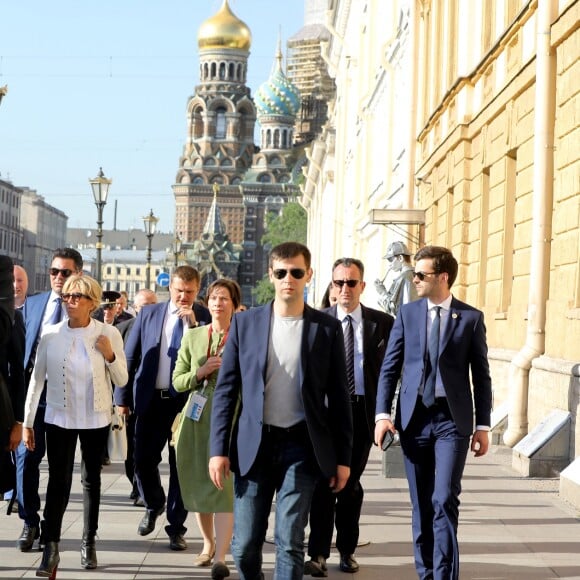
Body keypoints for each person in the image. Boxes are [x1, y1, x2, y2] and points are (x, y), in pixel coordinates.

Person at [209, 241, 353, 580]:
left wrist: (342, 458)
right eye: (281, 272)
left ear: (309, 276)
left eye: (296, 272)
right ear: (271, 275)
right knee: (244, 547)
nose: (289, 279)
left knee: (289, 542)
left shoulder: (326, 328)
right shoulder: (246, 325)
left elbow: (340, 397)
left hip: (301, 447)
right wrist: (217, 451)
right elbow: (226, 391)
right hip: (253, 447)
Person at [374, 245, 493, 580]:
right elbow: (390, 368)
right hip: (413, 421)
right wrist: (383, 415)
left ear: (443, 277)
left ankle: (444, 575)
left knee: (443, 499)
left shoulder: (470, 318)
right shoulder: (408, 315)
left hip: (451, 422)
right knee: (421, 504)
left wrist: (482, 426)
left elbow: (481, 377)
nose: (415, 279)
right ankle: (425, 572)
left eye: (421, 275)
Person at [22, 274, 128, 576]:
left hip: (95, 417)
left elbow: (122, 379)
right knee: (58, 481)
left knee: (90, 481)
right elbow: (36, 380)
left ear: (92, 302)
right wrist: (28, 421)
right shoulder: (52, 334)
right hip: (59, 417)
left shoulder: (108, 333)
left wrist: (108, 354)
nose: (70, 301)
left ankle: (88, 540)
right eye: (67, 296)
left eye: (77, 297)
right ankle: (51, 545)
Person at [306, 258, 394, 576]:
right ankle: (317, 554)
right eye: (339, 282)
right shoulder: (316, 322)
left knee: (349, 484)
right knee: (322, 483)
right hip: (325, 415)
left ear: (362, 286)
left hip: (361, 411)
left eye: (351, 282)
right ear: (332, 286)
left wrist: (385, 414)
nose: (345, 288)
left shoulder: (382, 324)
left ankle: (346, 550)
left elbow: (392, 371)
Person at [115, 265, 211, 551]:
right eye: (179, 290)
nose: (184, 296)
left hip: (185, 403)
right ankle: (154, 503)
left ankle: (176, 527)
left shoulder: (204, 316)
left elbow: (205, 359)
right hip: (151, 399)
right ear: (170, 288)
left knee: (180, 466)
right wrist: (121, 398)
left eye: (190, 292)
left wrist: (193, 325)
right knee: (142, 459)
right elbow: (129, 356)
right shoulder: (149, 314)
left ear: (198, 290)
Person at [173, 278, 241, 580]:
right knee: (200, 482)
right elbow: (177, 381)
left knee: (224, 485)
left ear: (235, 304)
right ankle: (208, 543)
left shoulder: (243, 334)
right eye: (213, 298)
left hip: (233, 414)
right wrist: (199, 372)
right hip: (197, 416)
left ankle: (222, 556)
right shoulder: (194, 336)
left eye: (224, 298)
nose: (217, 303)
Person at [16, 247, 83, 552]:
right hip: (31, 398)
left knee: (60, 470)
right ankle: (29, 521)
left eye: (65, 272)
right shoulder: (33, 304)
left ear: (77, 274)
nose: (58, 278)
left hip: (64, 402)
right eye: (54, 271)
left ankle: (51, 528)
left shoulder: (84, 308)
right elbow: (20, 349)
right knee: (26, 461)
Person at [115, 288, 157, 506]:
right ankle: (136, 485)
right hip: (131, 399)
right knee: (131, 448)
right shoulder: (123, 329)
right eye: (143, 306)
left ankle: (143, 489)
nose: (148, 310)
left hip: (156, 400)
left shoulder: (164, 328)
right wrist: (120, 400)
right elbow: (121, 367)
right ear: (135, 308)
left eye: (152, 305)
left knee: (147, 450)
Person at [374, 241, 418, 317]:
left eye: (390, 259)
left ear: (400, 258)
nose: (389, 264)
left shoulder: (404, 277)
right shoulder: (416, 274)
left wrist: (382, 292)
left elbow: (394, 308)